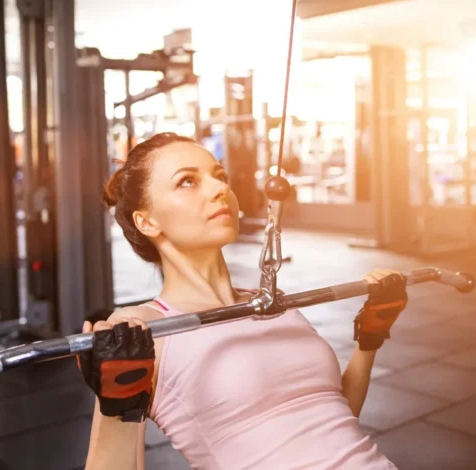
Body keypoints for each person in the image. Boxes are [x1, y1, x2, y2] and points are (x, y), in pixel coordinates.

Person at [78, 132, 408, 470]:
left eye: (219, 176)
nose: (219, 189)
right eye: (188, 182)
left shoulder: (272, 303)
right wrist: (116, 407)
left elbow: (333, 422)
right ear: (147, 221)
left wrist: (369, 340)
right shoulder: (142, 328)